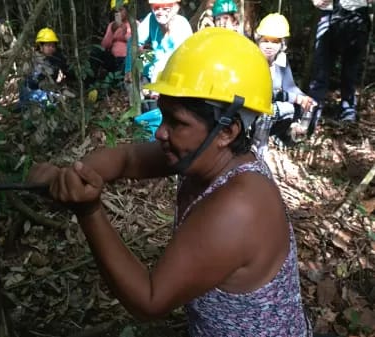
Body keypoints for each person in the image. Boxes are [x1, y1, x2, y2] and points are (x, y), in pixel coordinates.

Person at [28, 28, 312, 336]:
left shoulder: (240, 206)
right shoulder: (203, 156)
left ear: (227, 131)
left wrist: (88, 210)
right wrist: (68, 175)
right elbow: (126, 160)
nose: (161, 132)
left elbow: (150, 300)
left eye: (176, 122)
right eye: (163, 116)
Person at [252, 13, 316, 155]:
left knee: (294, 109)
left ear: (282, 44)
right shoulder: (252, 58)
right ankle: (257, 151)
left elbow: (290, 86)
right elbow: (264, 93)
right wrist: (295, 98)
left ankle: (289, 137)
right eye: (265, 40)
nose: (269, 46)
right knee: (270, 111)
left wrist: (304, 100)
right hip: (251, 110)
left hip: (271, 109)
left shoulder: (281, 61)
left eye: (275, 42)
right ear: (258, 40)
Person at [308, 0, 371, 128]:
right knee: (320, 70)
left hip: (357, 15)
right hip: (328, 13)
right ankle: (311, 114)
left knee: (350, 71)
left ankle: (348, 113)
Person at [124, 0, 193, 87]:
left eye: (165, 8)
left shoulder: (181, 25)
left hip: (174, 72)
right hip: (156, 61)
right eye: (156, 8)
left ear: (175, 8)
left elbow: (180, 59)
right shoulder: (151, 19)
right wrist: (129, 69)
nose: (160, 12)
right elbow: (133, 41)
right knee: (141, 59)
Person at [85, 0, 136, 90]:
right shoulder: (112, 25)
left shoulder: (134, 24)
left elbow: (135, 44)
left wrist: (125, 32)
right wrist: (112, 30)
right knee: (95, 51)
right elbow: (104, 45)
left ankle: (115, 85)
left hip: (126, 60)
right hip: (112, 59)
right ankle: (89, 85)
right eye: (116, 11)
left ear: (127, 10)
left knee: (123, 69)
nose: (118, 13)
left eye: (121, 10)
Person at [20, 28, 73, 109]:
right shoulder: (31, 59)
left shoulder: (55, 58)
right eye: (48, 45)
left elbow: (69, 73)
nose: (51, 48)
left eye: (53, 46)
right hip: (32, 95)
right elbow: (26, 82)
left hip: (48, 92)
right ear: (40, 46)